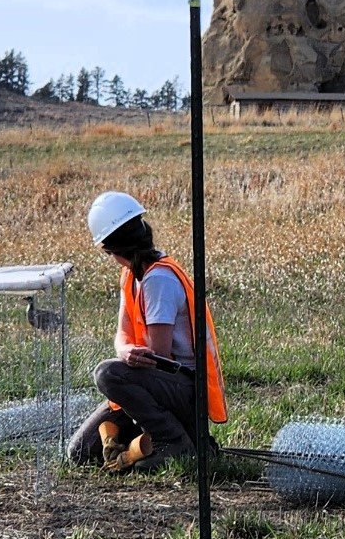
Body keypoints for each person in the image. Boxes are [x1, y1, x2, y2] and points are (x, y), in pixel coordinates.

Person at [67, 191, 228, 472]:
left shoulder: (158, 281)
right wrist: (125, 351)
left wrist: (126, 363)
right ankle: (157, 440)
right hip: (153, 385)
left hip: (182, 387)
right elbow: (122, 334)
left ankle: (174, 440)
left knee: (106, 373)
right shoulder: (131, 276)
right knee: (81, 451)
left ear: (108, 247)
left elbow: (160, 359)